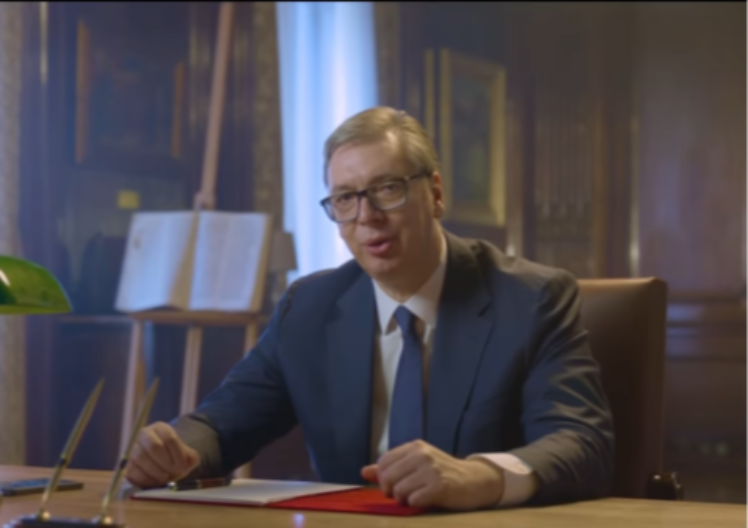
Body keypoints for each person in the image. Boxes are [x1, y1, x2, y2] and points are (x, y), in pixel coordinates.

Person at [125, 107, 614, 510]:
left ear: (435, 194)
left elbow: (582, 442)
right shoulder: (309, 307)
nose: (367, 217)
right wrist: (174, 453)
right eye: (345, 198)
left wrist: (480, 476)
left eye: (387, 189)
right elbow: (221, 424)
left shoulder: (531, 300)